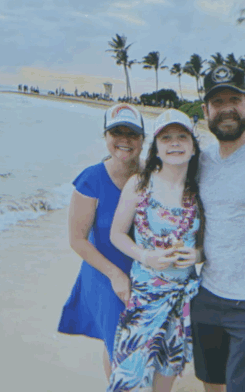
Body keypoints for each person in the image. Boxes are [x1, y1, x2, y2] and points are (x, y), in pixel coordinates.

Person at [106, 110, 204, 392]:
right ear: (157, 148)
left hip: (181, 302)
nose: (174, 143)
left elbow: (207, 245)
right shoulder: (139, 184)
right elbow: (116, 234)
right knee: (128, 380)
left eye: (182, 137)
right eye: (166, 138)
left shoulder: (197, 191)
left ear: (193, 147)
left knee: (164, 383)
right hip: (144, 301)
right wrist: (146, 256)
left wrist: (196, 256)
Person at [58, 103, 146, 381]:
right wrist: (115, 275)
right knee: (120, 345)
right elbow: (77, 240)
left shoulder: (153, 175)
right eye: (116, 132)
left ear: (143, 139)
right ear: (105, 136)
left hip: (144, 271)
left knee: (136, 344)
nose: (124, 140)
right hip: (104, 272)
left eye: (131, 134)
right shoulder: (91, 179)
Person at [191, 65, 245, 392]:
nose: (226, 108)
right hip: (207, 295)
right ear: (205, 111)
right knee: (211, 382)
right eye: (217, 101)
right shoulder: (201, 161)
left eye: (234, 99)